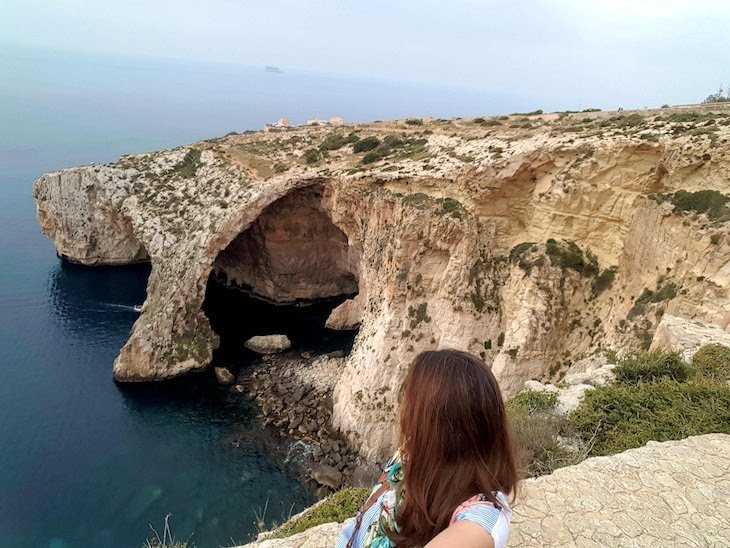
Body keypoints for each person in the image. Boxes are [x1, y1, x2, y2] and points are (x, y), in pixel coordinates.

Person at [336, 349, 518, 548]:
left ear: (434, 426)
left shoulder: (479, 520)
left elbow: (471, 535)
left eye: (411, 402)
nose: (403, 409)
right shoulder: (413, 449)